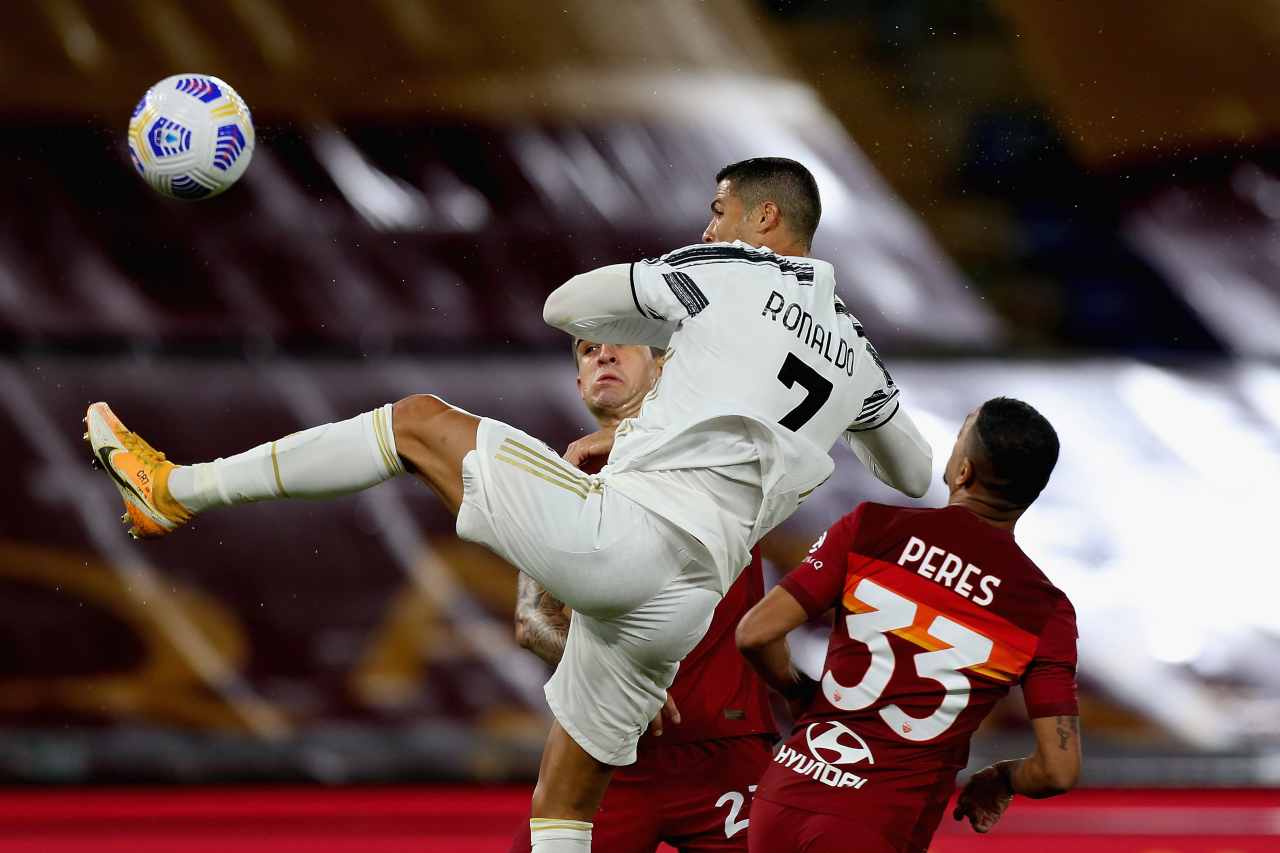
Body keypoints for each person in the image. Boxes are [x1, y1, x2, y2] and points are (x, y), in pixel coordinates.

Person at [85, 157, 932, 852]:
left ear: (764, 222)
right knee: (566, 794)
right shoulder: (859, 353)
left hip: (628, 540)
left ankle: (176, 489)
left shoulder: (724, 269)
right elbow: (910, 468)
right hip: (686, 596)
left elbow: (564, 305)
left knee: (417, 423)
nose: (706, 228)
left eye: (717, 211)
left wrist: (670, 306)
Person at [736, 398, 1080, 853]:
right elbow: (1058, 770)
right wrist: (1003, 777)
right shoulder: (1043, 608)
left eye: (960, 438)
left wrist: (803, 696)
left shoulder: (873, 529)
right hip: (878, 821)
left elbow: (755, 633)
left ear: (964, 473)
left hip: (787, 794)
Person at [509, 336, 776, 853]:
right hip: (605, 749)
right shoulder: (560, 480)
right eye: (588, 351)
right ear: (581, 384)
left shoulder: (729, 450)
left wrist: (641, 440)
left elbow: (778, 416)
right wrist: (620, 680)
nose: (603, 355)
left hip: (725, 750)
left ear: (664, 369)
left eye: (622, 344)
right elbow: (533, 620)